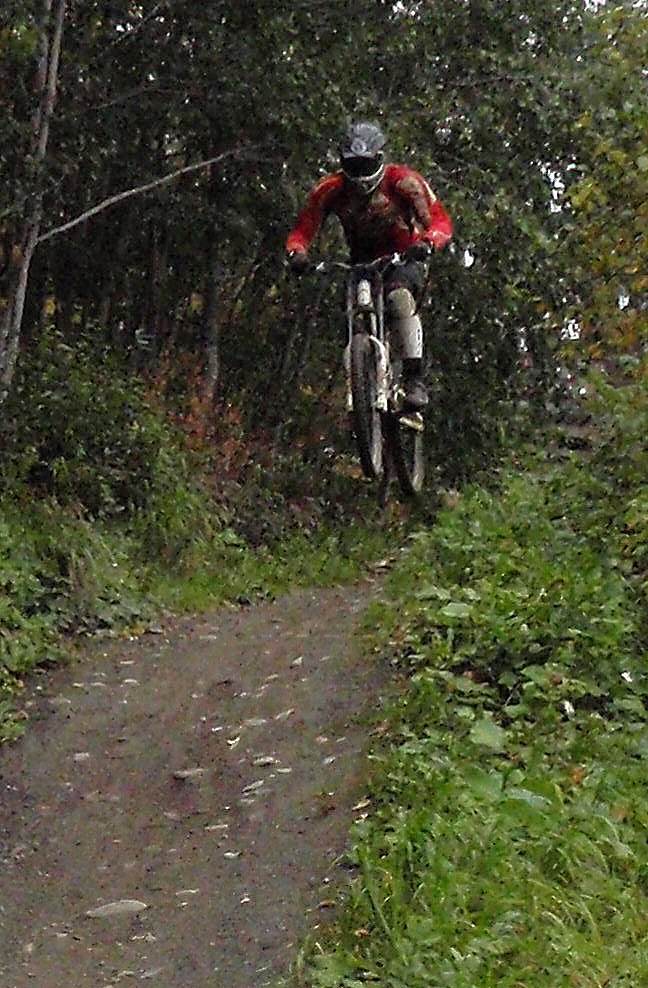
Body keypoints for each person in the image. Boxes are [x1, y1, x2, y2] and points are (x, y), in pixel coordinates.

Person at [285, 121, 453, 410]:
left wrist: (427, 244)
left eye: (366, 165)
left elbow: (440, 221)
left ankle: (414, 379)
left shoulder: (404, 182)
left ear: (379, 159)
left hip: (404, 255)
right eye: (354, 166)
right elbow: (303, 229)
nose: (361, 175)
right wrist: (296, 253)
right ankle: (362, 379)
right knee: (349, 314)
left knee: (399, 297)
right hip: (360, 262)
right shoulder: (330, 190)